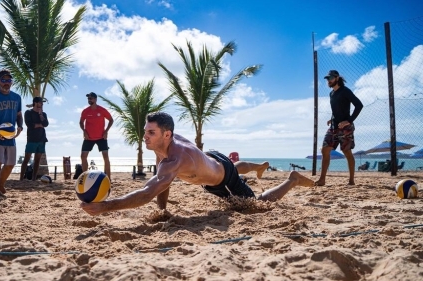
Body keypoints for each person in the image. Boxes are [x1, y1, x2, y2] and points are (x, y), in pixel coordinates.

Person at [81, 112, 314, 216]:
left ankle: (292, 179)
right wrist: (163, 211)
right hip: (212, 158)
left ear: (167, 134)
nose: (145, 137)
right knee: (225, 165)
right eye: (145, 132)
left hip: (222, 179)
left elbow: (147, 192)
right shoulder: (164, 146)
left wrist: (105, 207)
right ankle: (255, 167)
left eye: (151, 132)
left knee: (255, 205)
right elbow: (163, 183)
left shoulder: (174, 158)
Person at [316, 70, 363, 186]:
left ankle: (351, 180)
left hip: (345, 127)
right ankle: (322, 179)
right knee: (325, 149)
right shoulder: (331, 94)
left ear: (337, 78)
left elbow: (359, 105)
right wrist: (331, 118)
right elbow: (336, 110)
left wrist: (349, 121)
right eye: (327, 79)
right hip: (333, 126)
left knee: (346, 151)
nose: (328, 80)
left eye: (331, 78)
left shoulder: (345, 91)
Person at [80, 92, 114, 180]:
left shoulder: (102, 110)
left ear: (95, 99)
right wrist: (84, 131)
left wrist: (106, 131)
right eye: (88, 99)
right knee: (83, 156)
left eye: (90, 98)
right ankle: (84, 178)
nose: (89, 100)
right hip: (88, 137)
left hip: (101, 137)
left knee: (106, 156)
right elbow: (81, 122)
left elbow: (111, 120)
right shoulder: (85, 111)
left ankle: (108, 179)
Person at [20, 97, 49, 181]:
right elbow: (29, 125)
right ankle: (21, 178)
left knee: (37, 160)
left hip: (42, 139)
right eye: (40, 102)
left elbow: (46, 124)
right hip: (32, 139)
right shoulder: (28, 113)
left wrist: (40, 115)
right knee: (26, 159)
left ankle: (33, 178)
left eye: (42, 103)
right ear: (35, 103)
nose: (41, 104)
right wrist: (39, 125)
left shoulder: (43, 114)